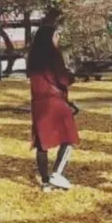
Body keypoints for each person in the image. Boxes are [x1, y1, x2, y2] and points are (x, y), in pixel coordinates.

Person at [27, 25, 79, 192]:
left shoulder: (33, 57)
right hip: (55, 102)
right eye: (56, 35)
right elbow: (62, 79)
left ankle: (45, 181)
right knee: (69, 137)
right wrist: (71, 76)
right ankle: (57, 173)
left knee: (41, 143)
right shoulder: (53, 55)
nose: (58, 39)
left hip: (38, 103)